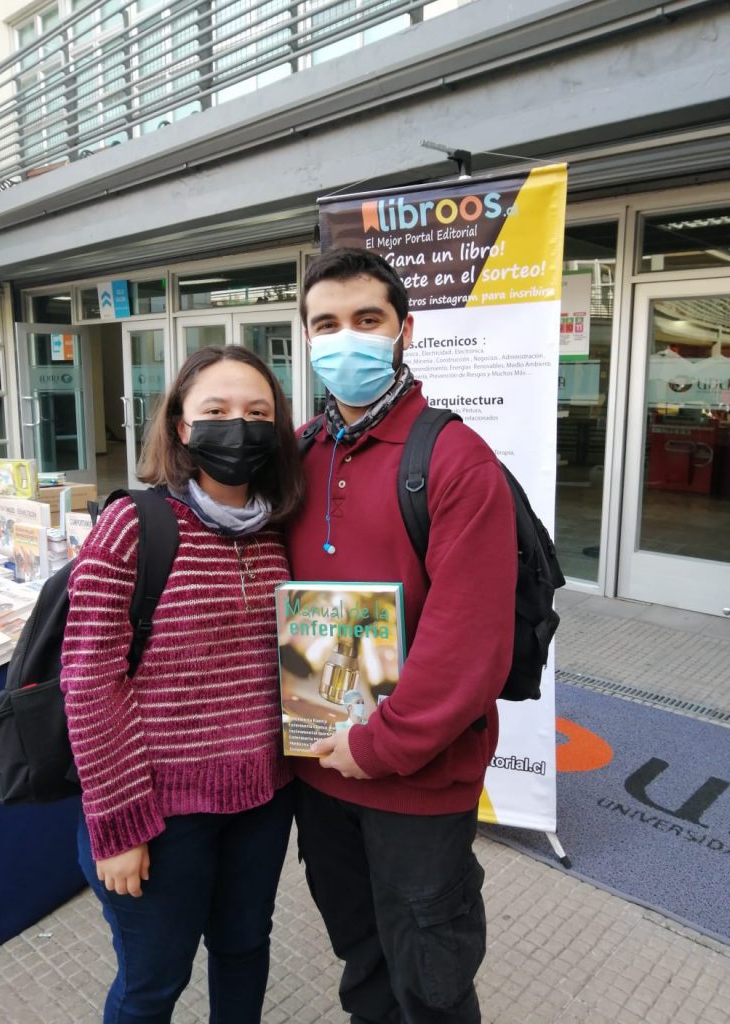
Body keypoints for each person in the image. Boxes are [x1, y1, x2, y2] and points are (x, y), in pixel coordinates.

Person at [287, 248, 518, 1024]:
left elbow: (469, 645)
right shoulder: (298, 454)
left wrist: (378, 746)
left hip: (417, 787)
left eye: (366, 320)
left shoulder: (454, 460)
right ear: (307, 338)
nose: (344, 337)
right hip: (320, 772)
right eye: (326, 323)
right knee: (362, 964)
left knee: (432, 982)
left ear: (403, 331)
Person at [60, 345, 304, 1024]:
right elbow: (88, 682)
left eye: (258, 413)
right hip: (161, 815)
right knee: (153, 983)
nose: (240, 427)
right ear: (180, 428)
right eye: (217, 411)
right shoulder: (133, 527)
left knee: (244, 948)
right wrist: (118, 826)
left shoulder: (282, 529)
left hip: (263, 799)